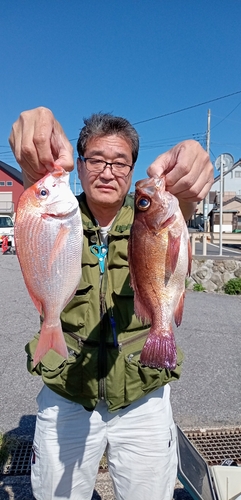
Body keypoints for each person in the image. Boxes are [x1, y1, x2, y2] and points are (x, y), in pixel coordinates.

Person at [9, 107, 213, 500]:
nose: (108, 171)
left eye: (121, 162)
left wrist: (191, 164)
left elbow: (179, 207)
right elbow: (35, 210)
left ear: (134, 168)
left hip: (143, 393)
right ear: (80, 165)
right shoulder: (57, 210)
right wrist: (35, 163)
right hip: (66, 390)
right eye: (97, 160)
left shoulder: (151, 213)